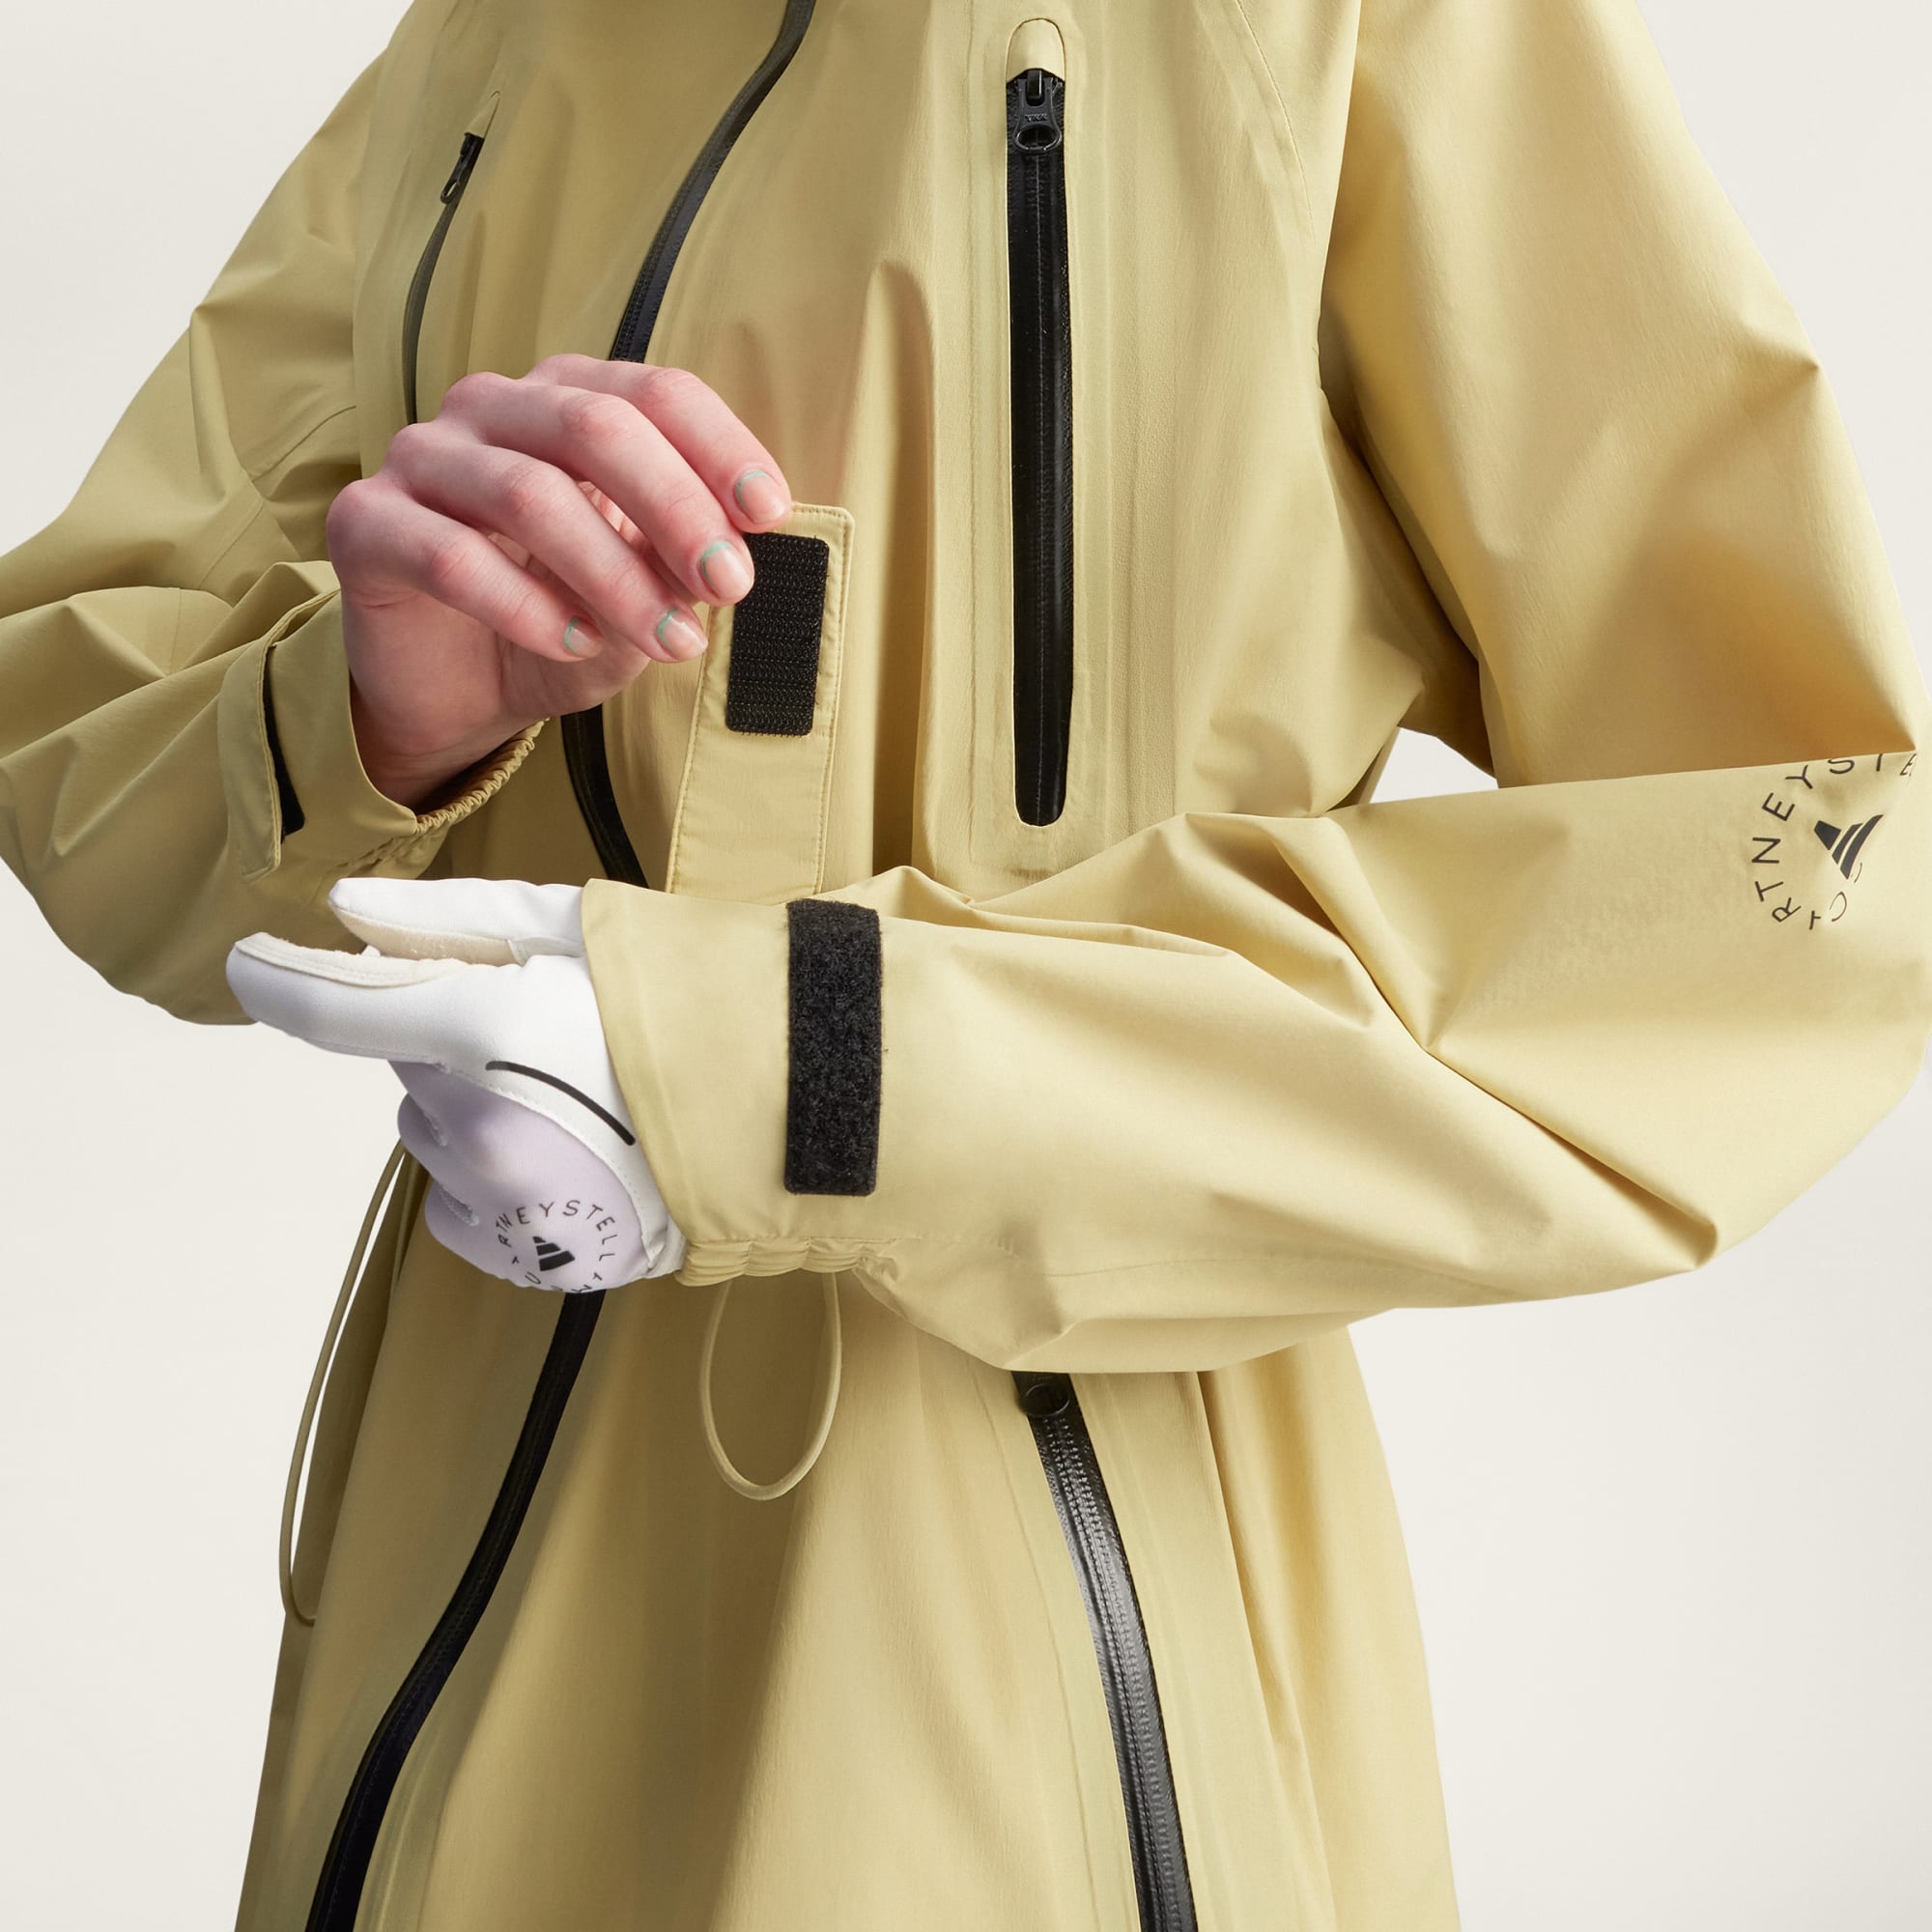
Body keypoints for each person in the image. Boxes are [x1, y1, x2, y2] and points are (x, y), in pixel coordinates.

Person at [3, 0, 1927, 1926]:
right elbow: (78, 754)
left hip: (1030, 1627)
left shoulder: (1360, 30)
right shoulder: (500, 28)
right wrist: (364, 707)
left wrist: (807, 1062)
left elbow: (1806, 877)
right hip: (442, 1618)